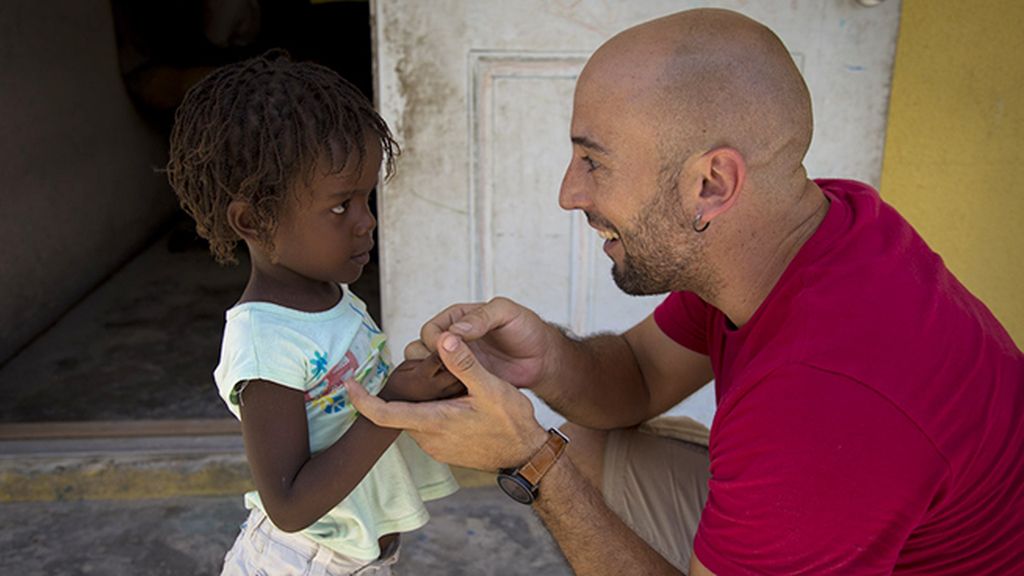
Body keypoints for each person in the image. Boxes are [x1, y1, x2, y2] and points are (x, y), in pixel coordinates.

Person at [344, 8, 1024, 576]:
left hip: (859, 503)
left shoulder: (823, 401)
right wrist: (542, 359)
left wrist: (526, 461)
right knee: (589, 447)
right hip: (846, 507)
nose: (568, 193)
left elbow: (813, 429)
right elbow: (638, 378)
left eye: (594, 162)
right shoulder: (802, 232)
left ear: (711, 185)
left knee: (563, 468)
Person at [166, 52, 465, 576]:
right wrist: (394, 401)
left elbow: (353, 411)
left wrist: (441, 379)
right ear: (254, 220)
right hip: (299, 564)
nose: (365, 222)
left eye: (367, 199)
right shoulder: (265, 340)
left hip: (355, 559)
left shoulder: (333, 297)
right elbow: (288, 505)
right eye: (339, 206)